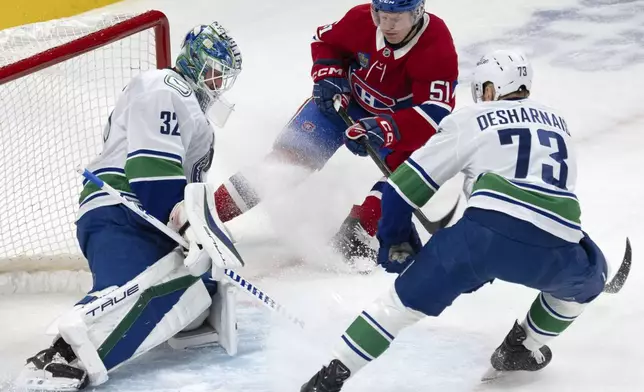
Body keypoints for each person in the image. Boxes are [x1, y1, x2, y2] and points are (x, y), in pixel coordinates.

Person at [300, 49, 609, 391]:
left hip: (481, 239)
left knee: (397, 306)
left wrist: (395, 239)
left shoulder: (471, 118)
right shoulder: (559, 122)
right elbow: (549, 202)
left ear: (490, 89)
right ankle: (520, 348)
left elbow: (403, 188)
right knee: (589, 280)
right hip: (556, 243)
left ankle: (328, 377)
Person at [17, 22, 243, 391]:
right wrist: (188, 229)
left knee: (200, 290)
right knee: (161, 289)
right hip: (122, 208)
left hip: (143, 215)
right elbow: (151, 171)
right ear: (194, 62)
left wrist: (196, 230)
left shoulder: (191, 110)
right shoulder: (166, 87)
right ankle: (58, 358)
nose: (217, 84)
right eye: (213, 73)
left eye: (223, 78)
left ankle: (80, 342)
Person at [212, 0, 458, 263]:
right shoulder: (360, 19)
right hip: (342, 104)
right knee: (284, 164)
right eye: (381, 16)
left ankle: (359, 231)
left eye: (396, 19)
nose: (387, 26)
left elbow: (434, 112)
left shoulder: (437, 46)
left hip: (399, 123)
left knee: (409, 175)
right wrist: (328, 74)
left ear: (417, 13)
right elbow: (325, 40)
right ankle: (210, 214)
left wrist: (385, 128)